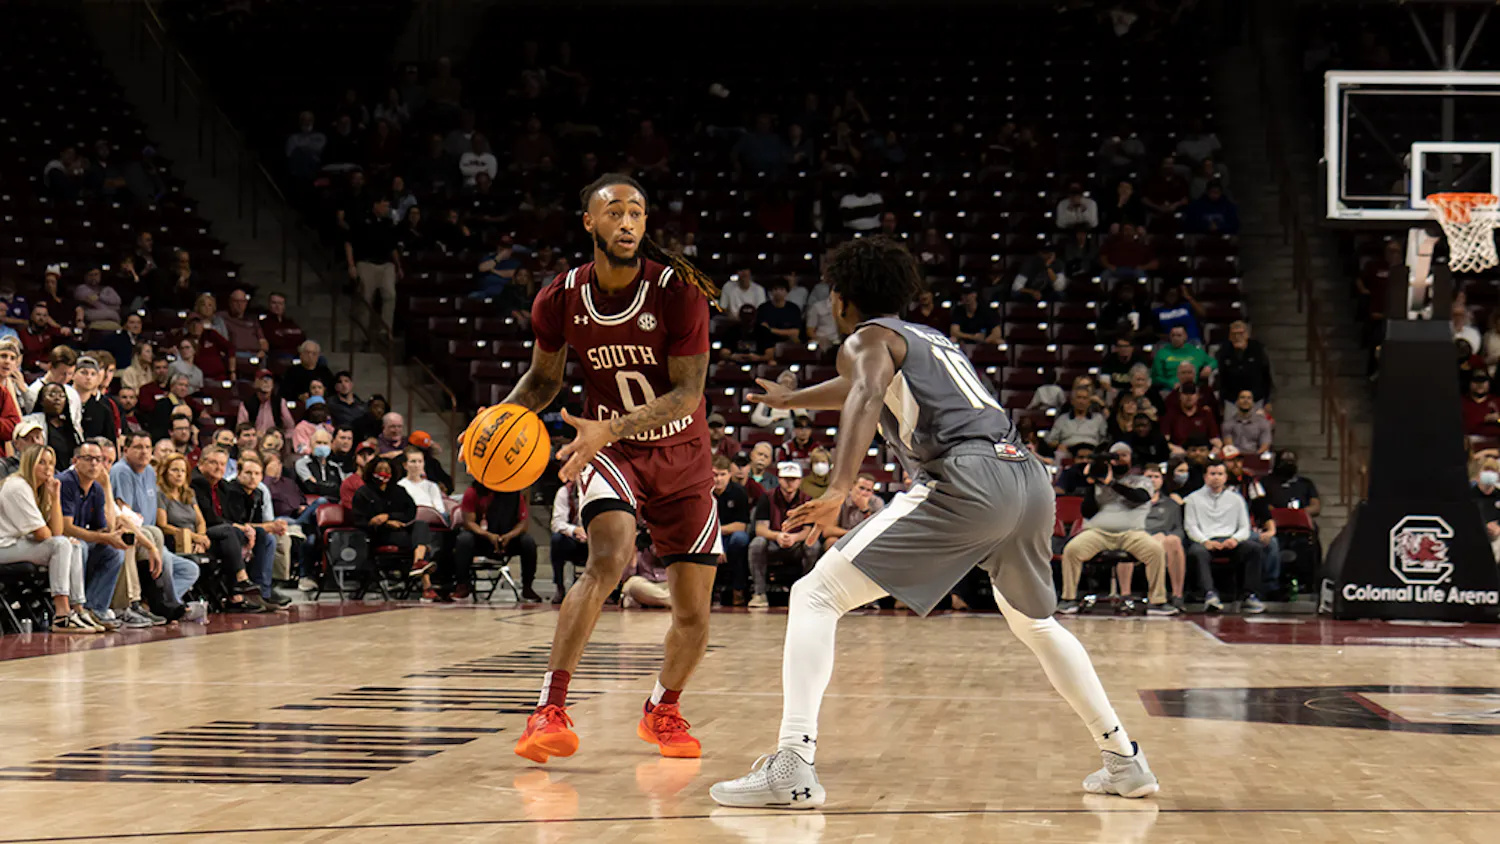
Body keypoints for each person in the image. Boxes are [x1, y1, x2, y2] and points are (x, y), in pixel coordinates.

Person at [711, 236, 1158, 808]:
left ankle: (792, 764)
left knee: (813, 595)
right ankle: (1124, 759)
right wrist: (795, 400)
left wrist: (842, 488)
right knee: (1035, 625)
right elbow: (861, 387)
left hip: (965, 477)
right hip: (1025, 474)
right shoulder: (929, 338)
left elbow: (866, 391)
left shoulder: (865, 338)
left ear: (842, 299)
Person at [485, 174, 723, 765]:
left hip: (679, 454)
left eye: (637, 213)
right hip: (610, 451)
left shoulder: (679, 292)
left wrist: (609, 427)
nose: (626, 222)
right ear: (588, 222)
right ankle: (549, 708)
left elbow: (689, 394)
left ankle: (662, 708)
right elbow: (543, 381)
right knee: (608, 560)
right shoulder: (559, 296)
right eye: (614, 212)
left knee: (693, 611)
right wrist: (497, 419)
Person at [1056, 458, 1178, 616]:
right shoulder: (1098, 484)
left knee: (1155, 550)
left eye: (1123, 455)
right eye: (1114, 457)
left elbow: (1139, 497)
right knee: (1072, 550)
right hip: (1098, 533)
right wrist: (1093, 483)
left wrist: (1111, 483)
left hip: (1132, 533)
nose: (1118, 460)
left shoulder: (1142, 481)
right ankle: (1068, 599)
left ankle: (1157, 601)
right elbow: (1087, 511)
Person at [0, 445, 96, 631]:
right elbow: (44, 534)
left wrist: (55, 497)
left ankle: (77, 610)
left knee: (72, 546)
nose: (48, 468)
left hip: (16, 544)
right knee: (61, 545)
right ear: (29, 464)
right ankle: (61, 615)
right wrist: (60, 540)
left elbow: (57, 532)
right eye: (41, 463)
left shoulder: (39, 488)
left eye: (51, 463)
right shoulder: (18, 486)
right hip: (3, 547)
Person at [156, 452, 260, 612]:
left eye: (182, 471)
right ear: (165, 472)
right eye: (174, 470)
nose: (179, 475)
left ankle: (236, 594)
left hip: (196, 539)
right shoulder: (160, 494)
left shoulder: (188, 493)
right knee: (228, 531)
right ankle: (240, 580)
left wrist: (201, 538)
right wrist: (195, 537)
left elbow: (200, 521)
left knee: (228, 545)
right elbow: (163, 525)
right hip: (176, 540)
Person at [192, 446, 281, 609]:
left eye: (222, 464)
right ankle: (239, 584)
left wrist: (246, 529)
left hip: (223, 533)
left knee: (260, 534)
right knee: (231, 531)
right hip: (201, 531)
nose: (218, 468)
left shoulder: (222, 486)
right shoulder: (197, 482)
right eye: (213, 463)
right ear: (201, 463)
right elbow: (209, 517)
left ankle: (259, 591)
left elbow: (231, 517)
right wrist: (237, 526)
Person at [56, 440, 127, 630]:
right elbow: (66, 527)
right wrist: (105, 537)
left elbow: (106, 527)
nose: (95, 464)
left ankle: (95, 608)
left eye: (99, 459)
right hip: (60, 540)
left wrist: (106, 487)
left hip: (80, 540)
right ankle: (75, 609)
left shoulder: (96, 488)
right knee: (81, 548)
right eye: (88, 459)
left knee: (115, 552)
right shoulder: (66, 482)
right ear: (75, 460)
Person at [1184, 460, 1264, 614]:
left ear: (1226, 477)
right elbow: (1191, 526)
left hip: (1230, 541)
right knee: (1197, 552)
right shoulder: (1192, 499)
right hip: (1205, 540)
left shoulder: (1236, 499)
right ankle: (1209, 594)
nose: (1216, 478)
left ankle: (1249, 596)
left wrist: (1235, 539)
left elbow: (1244, 527)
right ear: (1205, 477)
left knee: (1254, 549)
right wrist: (1205, 541)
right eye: (1212, 474)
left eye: (1220, 474)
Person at [349, 455, 436, 589]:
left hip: (401, 529)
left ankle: (418, 564)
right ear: (372, 471)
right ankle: (426, 583)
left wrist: (389, 516)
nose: (384, 472)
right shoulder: (363, 492)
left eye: (387, 469)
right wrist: (384, 523)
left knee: (421, 525)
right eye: (380, 469)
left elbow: (410, 512)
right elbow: (359, 520)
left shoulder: (399, 490)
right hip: (379, 535)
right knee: (423, 545)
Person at [746, 461, 821, 609]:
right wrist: (778, 536)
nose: (789, 484)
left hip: (797, 544)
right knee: (757, 543)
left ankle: (806, 594)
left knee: (813, 545)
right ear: (779, 479)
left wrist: (794, 538)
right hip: (773, 542)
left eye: (793, 480)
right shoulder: (766, 498)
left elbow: (808, 531)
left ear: (800, 481)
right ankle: (759, 593)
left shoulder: (807, 501)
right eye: (786, 479)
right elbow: (760, 529)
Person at [449, 478, 535, 601]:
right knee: (464, 539)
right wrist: (488, 535)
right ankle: (463, 584)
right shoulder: (473, 492)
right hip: (481, 539)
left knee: (528, 542)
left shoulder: (514, 493)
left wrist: (509, 535)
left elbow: (523, 523)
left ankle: (528, 587)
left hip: (507, 538)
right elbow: (469, 522)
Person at [549, 480, 588, 605]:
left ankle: (608, 590)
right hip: (573, 540)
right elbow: (556, 524)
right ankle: (560, 587)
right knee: (557, 540)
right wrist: (575, 530)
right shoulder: (565, 491)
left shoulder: (600, 492)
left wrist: (590, 533)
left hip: (595, 540)